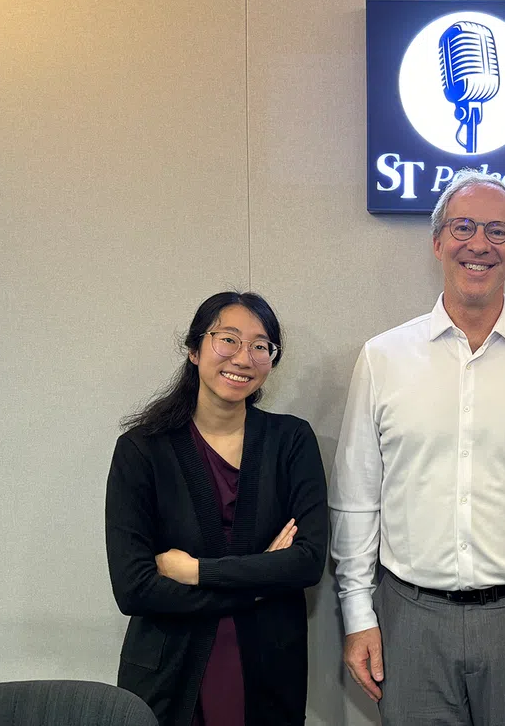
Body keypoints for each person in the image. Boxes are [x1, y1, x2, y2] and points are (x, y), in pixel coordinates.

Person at [329, 170, 505, 726]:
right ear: (438, 241)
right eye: (462, 227)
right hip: (409, 621)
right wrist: (358, 613)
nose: (479, 244)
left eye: (498, 230)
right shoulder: (383, 358)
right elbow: (357, 498)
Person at [105, 291, 328, 726]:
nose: (243, 358)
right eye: (228, 340)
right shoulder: (142, 450)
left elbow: (306, 563)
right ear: (194, 349)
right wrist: (261, 580)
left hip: (269, 670)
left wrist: (196, 572)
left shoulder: (292, 441)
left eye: (260, 346)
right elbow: (134, 588)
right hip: (169, 671)